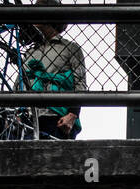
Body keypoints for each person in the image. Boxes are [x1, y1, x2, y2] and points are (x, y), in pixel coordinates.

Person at [23, 0, 86, 140]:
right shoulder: (31, 51)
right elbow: (21, 81)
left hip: (57, 116)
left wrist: (72, 115)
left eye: (40, 11)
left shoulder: (70, 48)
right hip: (29, 116)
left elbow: (80, 83)